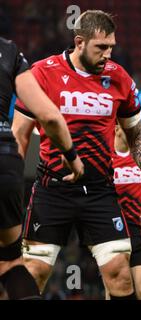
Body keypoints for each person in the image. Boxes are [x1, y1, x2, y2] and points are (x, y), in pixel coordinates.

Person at [12, 10, 141, 299]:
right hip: (51, 189)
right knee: (34, 272)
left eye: (111, 47)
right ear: (79, 42)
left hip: (99, 191)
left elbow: (138, 133)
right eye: (101, 48)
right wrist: (10, 186)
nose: (107, 54)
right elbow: (20, 134)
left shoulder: (118, 77)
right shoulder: (42, 73)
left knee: (120, 274)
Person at [0, 37, 84, 300]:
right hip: (4, 160)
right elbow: (49, 116)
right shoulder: (9, 50)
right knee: (11, 263)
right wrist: (72, 156)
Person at [111, 125, 141, 300]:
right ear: (116, 128)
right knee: (115, 290)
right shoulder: (107, 157)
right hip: (113, 232)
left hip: (140, 231)